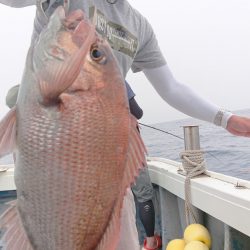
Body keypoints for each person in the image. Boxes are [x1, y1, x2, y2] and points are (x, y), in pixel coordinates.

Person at [2, 0, 250, 249]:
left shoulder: (138, 25)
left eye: (95, 53)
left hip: (107, 170)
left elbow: (170, 88)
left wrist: (226, 119)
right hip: (49, 167)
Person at [125, 80, 161, 250]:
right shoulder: (112, 73)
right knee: (143, 195)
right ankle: (151, 242)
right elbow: (137, 111)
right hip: (127, 144)